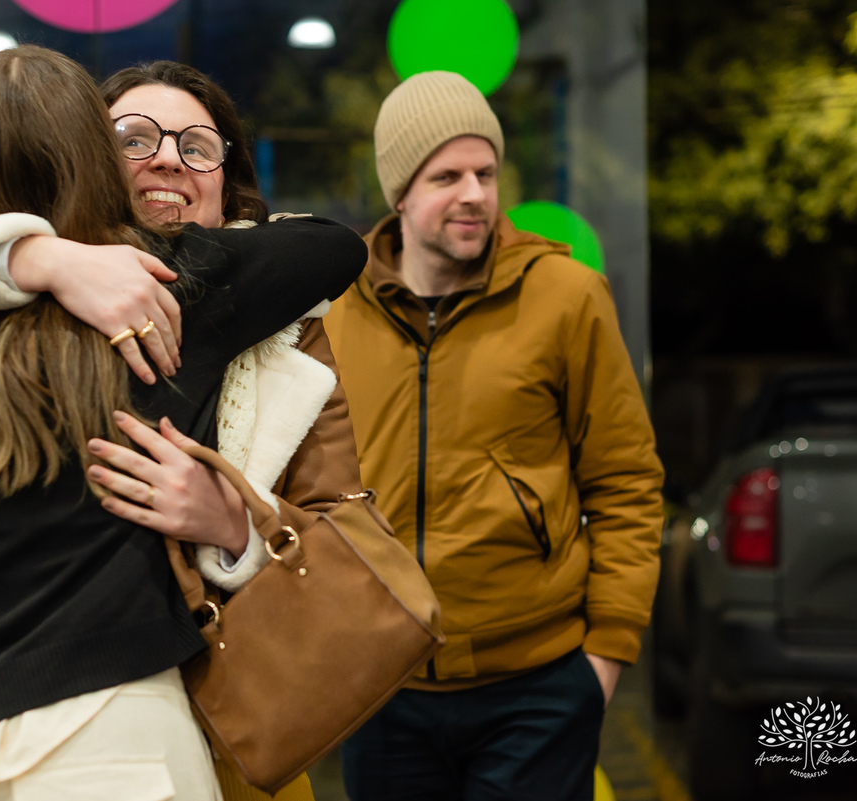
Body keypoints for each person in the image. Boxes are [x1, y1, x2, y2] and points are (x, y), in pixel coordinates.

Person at [0, 45, 365, 801]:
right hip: (113, 730)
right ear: (94, 160)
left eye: (196, 147)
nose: (166, 162)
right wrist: (55, 257)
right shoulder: (179, 283)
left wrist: (237, 524)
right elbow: (335, 245)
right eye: (133, 140)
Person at [323, 71, 665, 801]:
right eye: (446, 175)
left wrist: (605, 656)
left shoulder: (567, 297)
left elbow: (626, 480)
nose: (474, 193)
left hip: (536, 687)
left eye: (486, 171)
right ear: (401, 193)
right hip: (384, 685)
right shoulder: (338, 316)